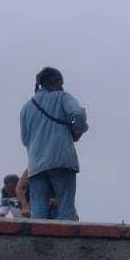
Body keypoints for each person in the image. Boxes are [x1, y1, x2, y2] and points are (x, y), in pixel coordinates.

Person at [20, 66, 87, 220]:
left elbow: (25, 139)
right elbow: (78, 113)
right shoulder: (62, 97)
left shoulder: (26, 108)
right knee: (65, 207)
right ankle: (66, 244)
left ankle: (37, 243)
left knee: (38, 210)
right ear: (57, 82)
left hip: (36, 163)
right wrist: (77, 131)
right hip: (61, 158)